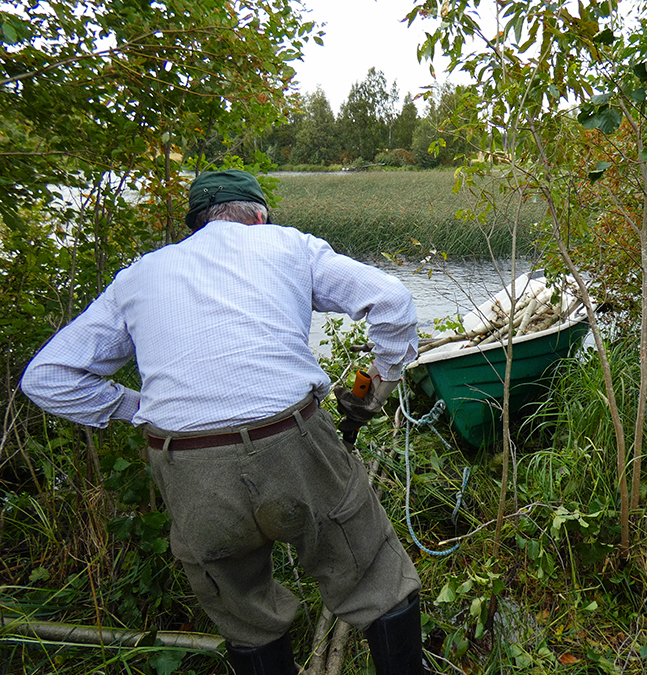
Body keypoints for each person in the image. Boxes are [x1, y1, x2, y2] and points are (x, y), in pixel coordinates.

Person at [21, 170, 428, 675]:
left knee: (243, 614)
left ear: (195, 224)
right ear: (258, 215)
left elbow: (47, 378)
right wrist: (377, 386)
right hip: (291, 441)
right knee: (372, 575)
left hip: (187, 464)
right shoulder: (287, 246)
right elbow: (392, 302)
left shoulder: (139, 276)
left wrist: (140, 408)